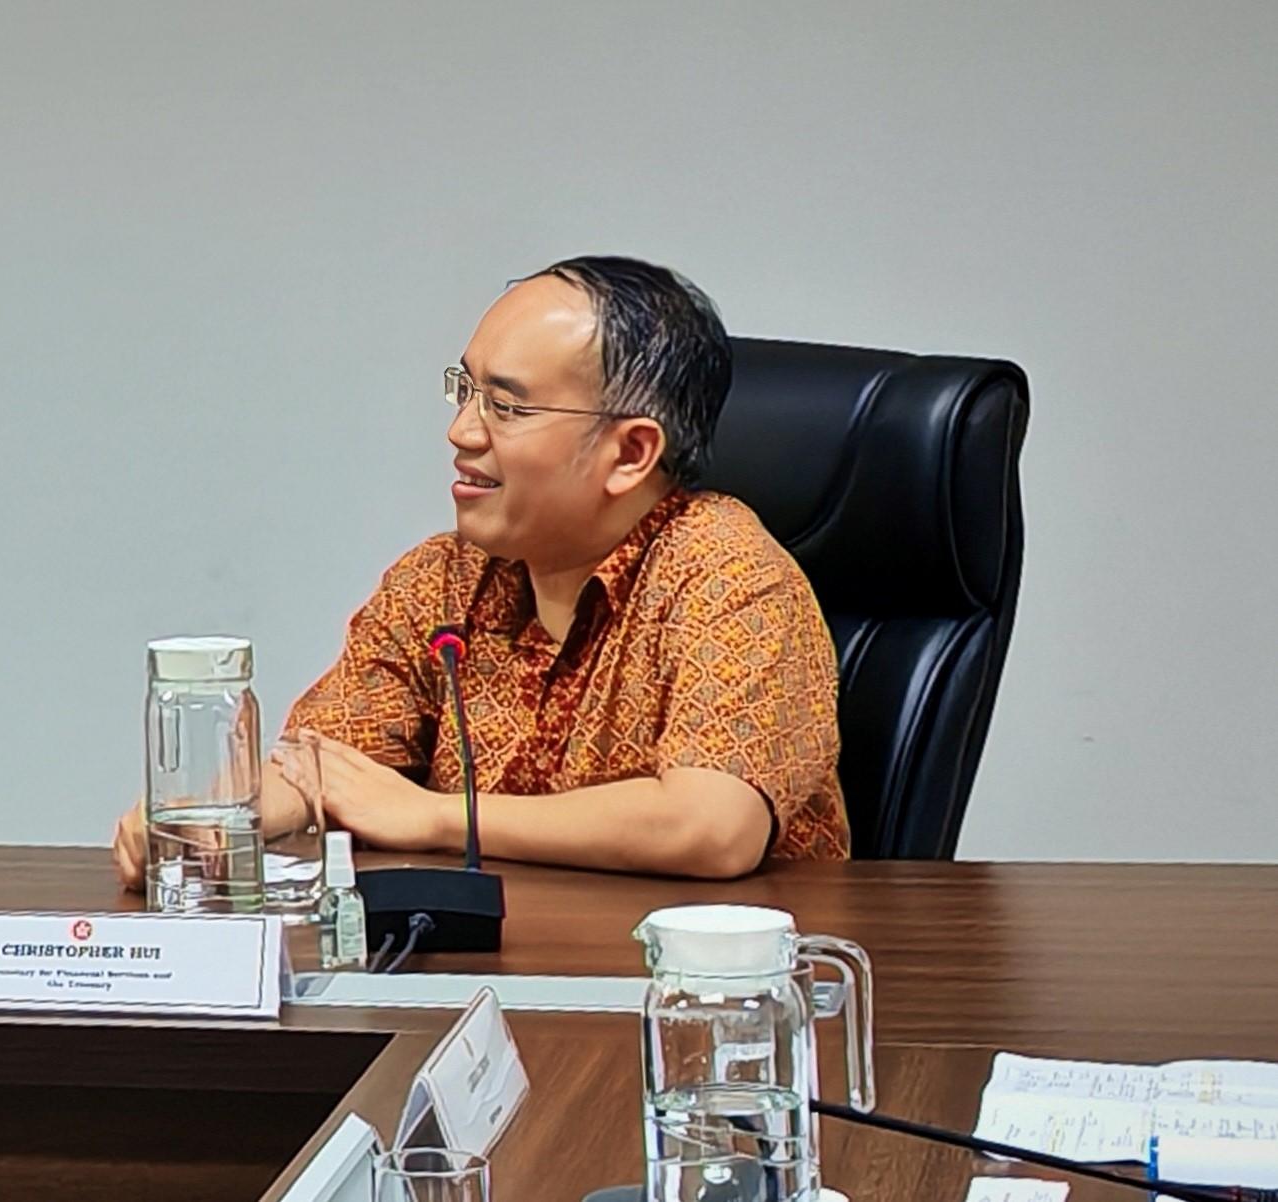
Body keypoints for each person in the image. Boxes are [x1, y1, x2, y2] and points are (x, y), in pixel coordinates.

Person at [114, 257, 847, 885]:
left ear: (629, 453)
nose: (461, 432)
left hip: (693, 996)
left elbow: (712, 827)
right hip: (497, 986)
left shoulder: (727, 576)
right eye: (463, 391)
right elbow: (327, 767)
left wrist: (438, 818)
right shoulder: (443, 580)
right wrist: (211, 816)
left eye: (505, 407)